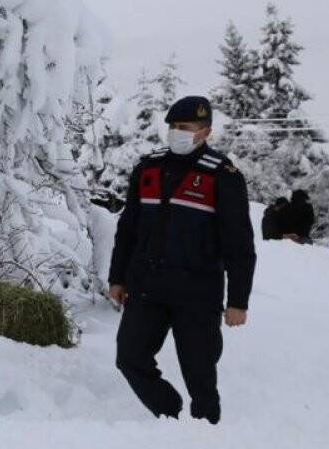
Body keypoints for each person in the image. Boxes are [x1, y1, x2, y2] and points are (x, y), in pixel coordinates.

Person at [108, 96, 256, 425]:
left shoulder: (222, 175)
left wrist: (238, 301)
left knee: (200, 375)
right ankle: (171, 418)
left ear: (205, 132)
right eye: (173, 127)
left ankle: (206, 433)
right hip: (148, 287)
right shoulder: (148, 168)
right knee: (130, 358)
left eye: (186, 128)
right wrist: (117, 278)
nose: (177, 133)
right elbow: (128, 230)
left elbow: (239, 244)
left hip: (197, 293)